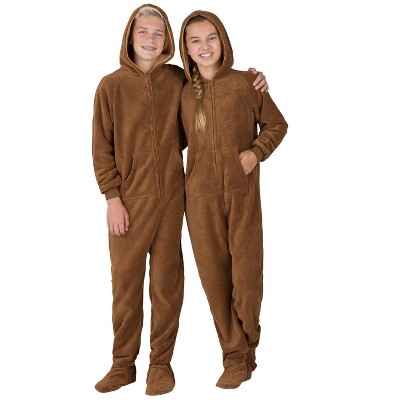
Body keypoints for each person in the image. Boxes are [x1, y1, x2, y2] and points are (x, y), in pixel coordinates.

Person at [92, 4, 268, 396]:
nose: (151, 39)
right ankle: (123, 365)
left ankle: (160, 365)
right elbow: (101, 148)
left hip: (175, 197)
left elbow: (208, 106)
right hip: (128, 203)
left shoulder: (179, 80)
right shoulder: (110, 86)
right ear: (130, 37)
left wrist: (254, 79)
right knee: (125, 287)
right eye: (143, 32)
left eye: (159, 32)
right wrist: (112, 197)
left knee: (167, 287)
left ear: (169, 40)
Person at [179, 11, 288, 389]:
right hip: (199, 199)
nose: (204, 46)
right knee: (214, 280)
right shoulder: (182, 93)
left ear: (222, 40)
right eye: (195, 40)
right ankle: (234, 357)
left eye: (211, 37)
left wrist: (255, 153)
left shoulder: (246, 83)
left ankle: (248, 341)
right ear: (186, 48)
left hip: (242, 196)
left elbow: (277, 124)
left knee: (246, 277)